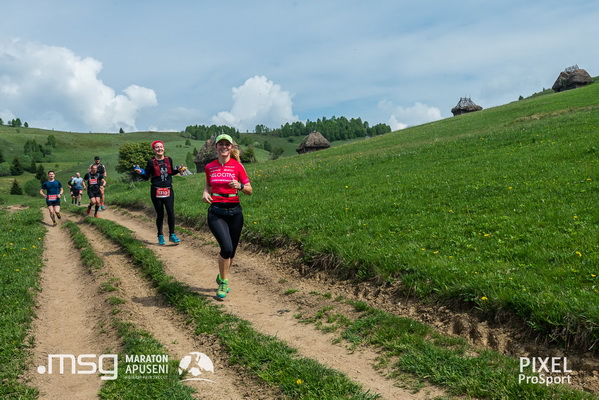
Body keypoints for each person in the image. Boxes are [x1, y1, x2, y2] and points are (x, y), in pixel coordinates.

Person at [202, 134, 252, 299]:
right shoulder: (209, 167)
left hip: (235, 212)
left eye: (227, 144)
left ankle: (221, 275)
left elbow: (249, 190)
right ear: (216, 147)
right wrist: (205, 192)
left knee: (232, 252)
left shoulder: (238, 166)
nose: (224, 147)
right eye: (221, 144)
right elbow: (208, 184)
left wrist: (240, 186)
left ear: (231, 147)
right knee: (227, 248)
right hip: (216, 212)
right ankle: (224, 282)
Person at [134, 140, 183, 245]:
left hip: (168, 190)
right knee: (160, 214)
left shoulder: (169, 159)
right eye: (157, 147)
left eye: (161, 147)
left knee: (170, 212)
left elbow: (170, 172)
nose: (159, 149)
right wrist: (140, 172)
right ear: (154, 150)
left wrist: (178, 170)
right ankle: (160, 235)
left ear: (164, 148)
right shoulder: (151, 162)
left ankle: (172, 235)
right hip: (156, 190)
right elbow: (146, 176)